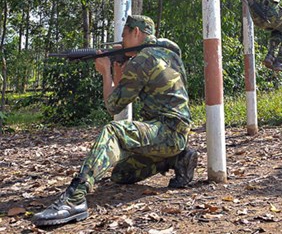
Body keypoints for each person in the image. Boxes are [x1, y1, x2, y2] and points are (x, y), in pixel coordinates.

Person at [33, 15, 198, 227]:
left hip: (166, 131)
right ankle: (177, 159)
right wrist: (121, 66)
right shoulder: (167, 53)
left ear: (136, 32)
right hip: (174, 134)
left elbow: (113, 106)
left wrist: (105, 72)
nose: (122, 40)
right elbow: (125, 94)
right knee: (121, 174)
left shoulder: (142, 60)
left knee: (113, 131)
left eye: (124, 35)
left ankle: (75, 197)